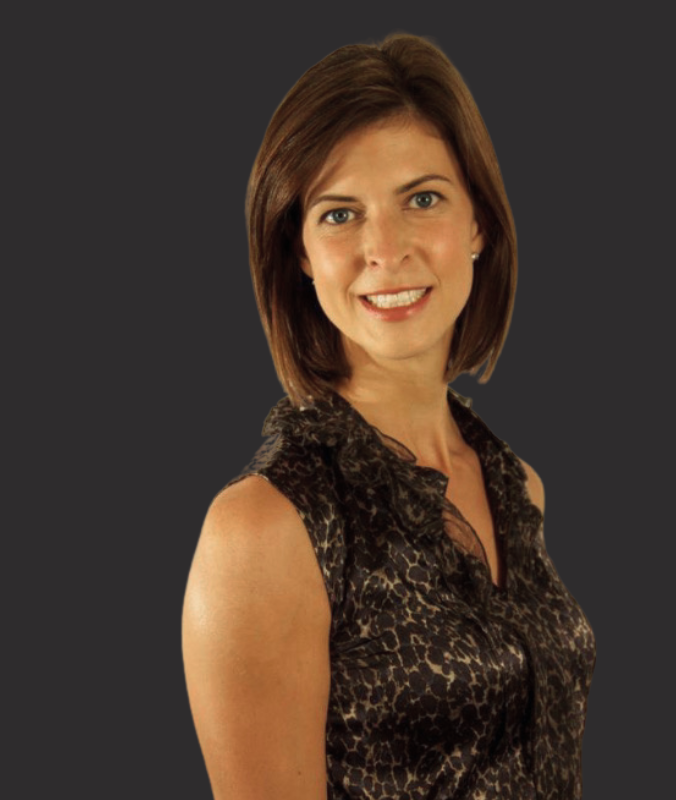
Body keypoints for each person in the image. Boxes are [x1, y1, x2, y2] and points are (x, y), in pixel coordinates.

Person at [182, 33, 596, 800]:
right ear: (299, 252)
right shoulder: (265, 531)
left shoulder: (519, 488)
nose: (386, 248)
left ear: (478, 223)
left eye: (424, 198)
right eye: (340, 215)